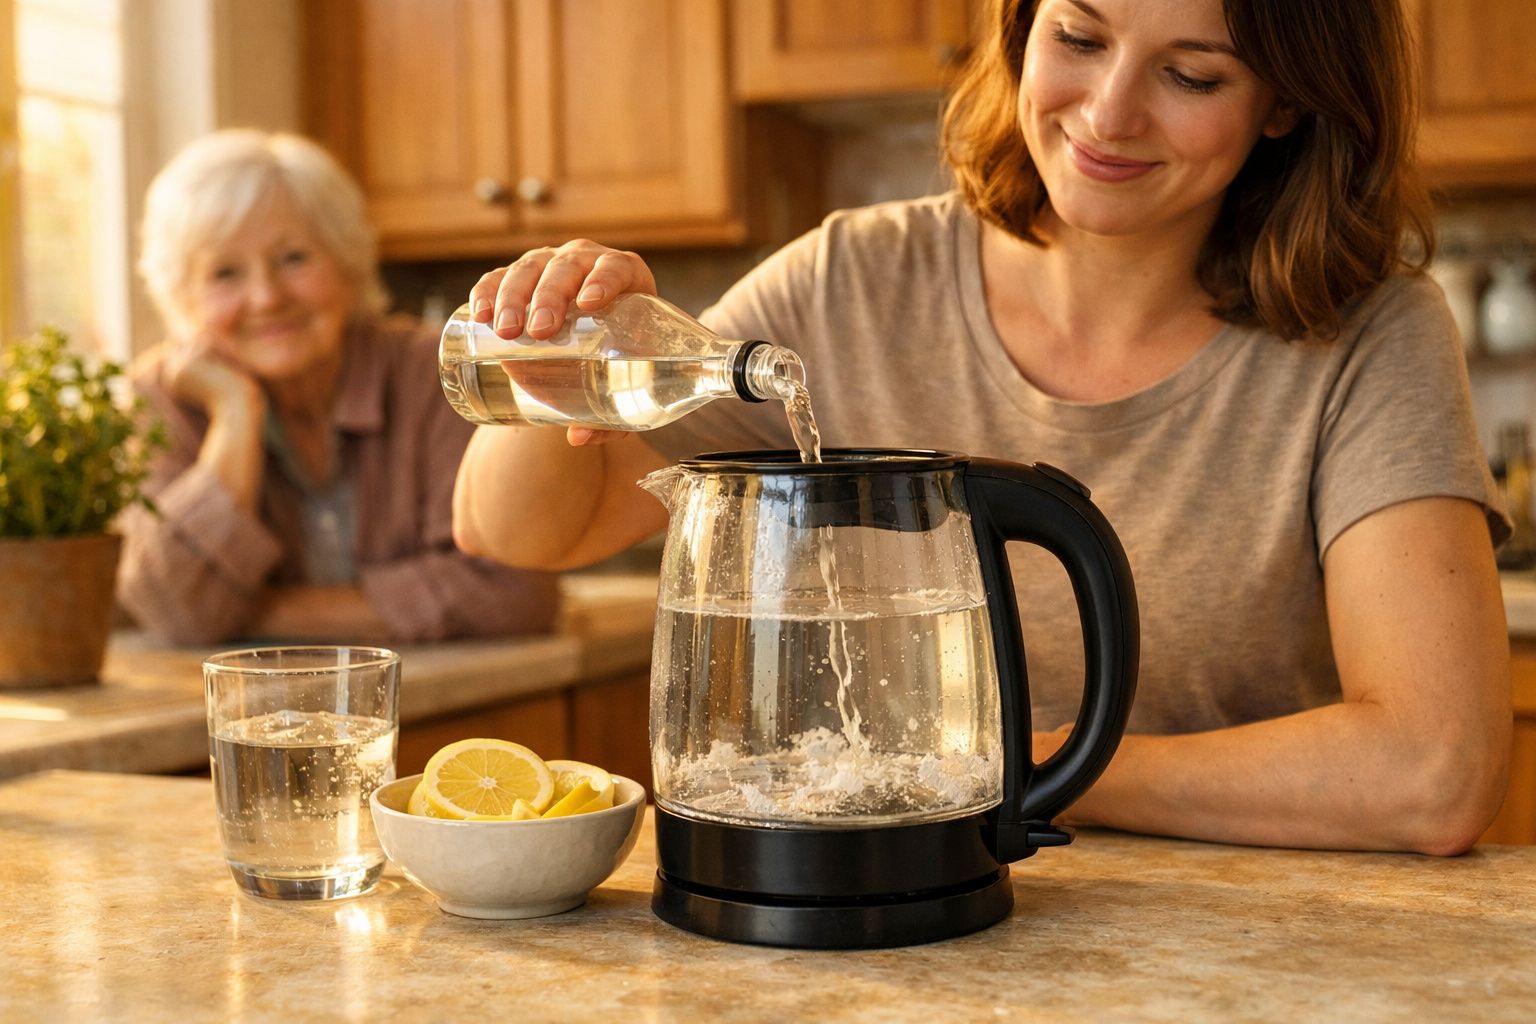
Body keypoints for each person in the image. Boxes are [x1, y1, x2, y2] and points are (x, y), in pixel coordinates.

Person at [450, 0, 1512, 854]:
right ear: (1021, 28)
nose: (1107, 114)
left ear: (1286, 104)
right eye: (1080, 38)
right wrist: (563, 361)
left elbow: (1433, 769)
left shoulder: (1368, 333)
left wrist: (1032, 768)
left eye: (1191, 74)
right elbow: (515, 530)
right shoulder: (854, 281)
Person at [119, 129, 560, 645]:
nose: (265, 298)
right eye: (225, 273)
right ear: (183, 298)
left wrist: (250, 613)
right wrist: (235, 413)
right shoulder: (162, 398)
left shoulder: (439, 372)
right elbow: (172, 608)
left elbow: (512, 590)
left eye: (293, 259)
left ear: (348, 263)